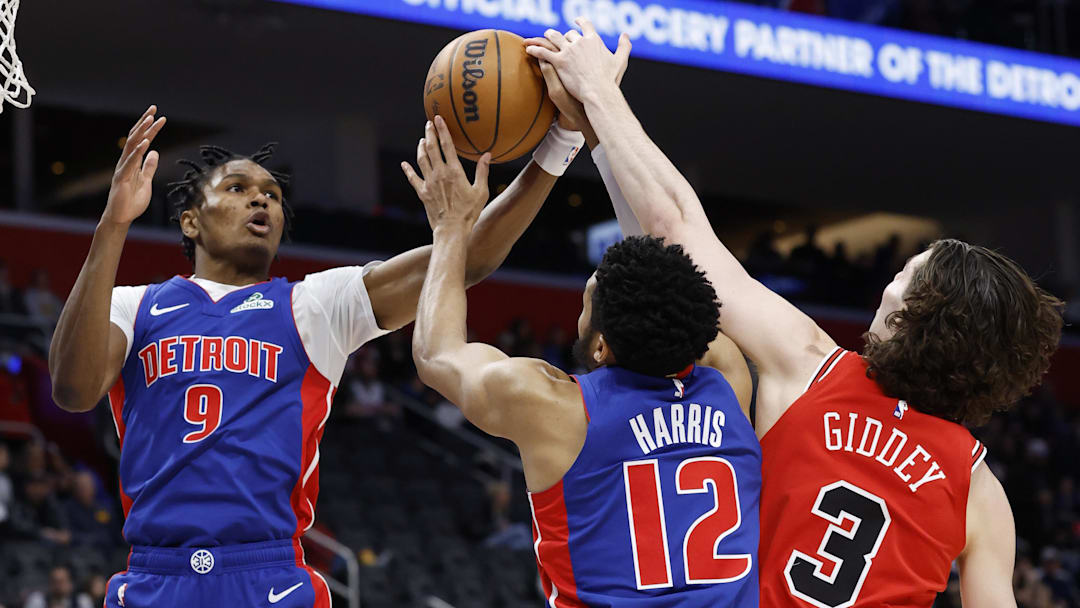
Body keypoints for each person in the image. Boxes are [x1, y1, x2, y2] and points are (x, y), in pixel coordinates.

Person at [526, 19, 1065, 606]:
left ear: (914, 314)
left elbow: (676, 237)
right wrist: (603, 137)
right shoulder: (979, 489)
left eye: (903, 274)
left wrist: (602, 94)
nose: (888, 282)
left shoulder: (812, 365)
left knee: (719, 355)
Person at [47, 105, 587, 607]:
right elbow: (73, 390)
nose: (261, 200)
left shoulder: (316, 304)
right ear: (190, 221)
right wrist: (113, 224)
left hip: (268, 574)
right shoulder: (132, 305)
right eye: (238, 188)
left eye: (272, 196)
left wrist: (561, 140)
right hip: (153, 576)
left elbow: (468, 261)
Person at [407, 102, 759, 605]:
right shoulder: (727, 381)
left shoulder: (555, 408)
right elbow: (664, 262)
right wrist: (592, 118)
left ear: (600, 345)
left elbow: (437, 353)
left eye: (587, 298)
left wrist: (449, 228)